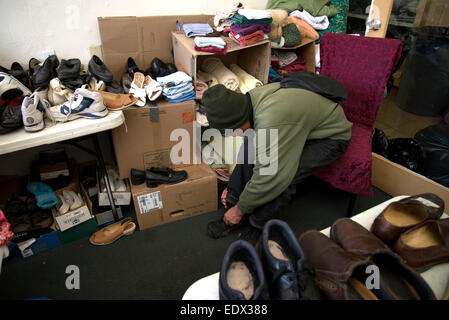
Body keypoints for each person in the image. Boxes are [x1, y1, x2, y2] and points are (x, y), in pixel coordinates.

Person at [201, 77, 352, 242]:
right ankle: (233, 202)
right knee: (248, 147)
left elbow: (271, 178)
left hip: (330, 137)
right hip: (300, 123)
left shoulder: (271, 121)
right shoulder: (247, 101)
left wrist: (240, 209)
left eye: (230, 131)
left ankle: (257, 223)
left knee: (284, 175)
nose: (230, 136)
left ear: (239, 120)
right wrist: (233, 190)